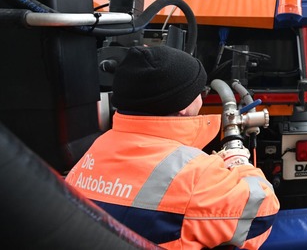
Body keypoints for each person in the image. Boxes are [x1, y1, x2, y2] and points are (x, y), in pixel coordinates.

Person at [65, 45, 279, 250]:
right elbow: (262, 212)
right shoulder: (193, 173)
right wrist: (238, 163)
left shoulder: (99, 146)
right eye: (200, 92)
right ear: (185, 106)